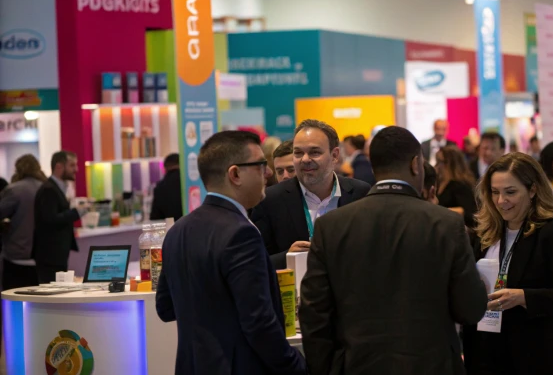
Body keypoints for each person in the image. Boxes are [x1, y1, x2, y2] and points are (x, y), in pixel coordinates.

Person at [300, 126, 487, 375]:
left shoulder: (331, 226)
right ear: (415, 165)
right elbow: (471, 308)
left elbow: (314, 316)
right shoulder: (445, 223)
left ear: (375, 166)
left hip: (357, 366)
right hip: (432, 365)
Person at [155, 131, 305, 375]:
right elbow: (259, 323)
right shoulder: (241, 233)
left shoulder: (178, 230)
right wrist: (295, 364)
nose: (267, 173)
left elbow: (166, 307)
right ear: (235, 174)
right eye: (260, 165)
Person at [462, 152, 553, 375]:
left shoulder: (552, 231)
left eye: (510, 192)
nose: (501, 201)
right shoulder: (484, 233)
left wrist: (523, 297)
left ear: (532, 190)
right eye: (495, 192)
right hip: (484, 352)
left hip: (534, 356)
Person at [250, 119, 371, 270]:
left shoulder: (360, 194)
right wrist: (288, 257)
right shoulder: (270, 201)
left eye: (314, 152)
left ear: (334, 155)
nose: (305, 159)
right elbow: (255, 263)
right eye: (298, 153)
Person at [33, 151, 88, 284]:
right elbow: (50, 219)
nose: (76, 169)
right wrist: (76, 212)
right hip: (50, 256)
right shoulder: (49, 189)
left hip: (55, 255)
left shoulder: (55, 187)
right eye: (72, 165)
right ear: (59, 167)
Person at [0, 155, 47, 289]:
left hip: (17, 255)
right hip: (42, 257)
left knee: (14, 303)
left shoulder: (14, 190)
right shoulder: (46, 188)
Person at [436, 146, 478, 228]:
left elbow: (469, 213)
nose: (438, 165)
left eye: (441, 162)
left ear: (452, 163)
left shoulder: (461, 185)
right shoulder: (439, 182)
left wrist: (438, 211)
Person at [150, 153, 183, 221]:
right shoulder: (188, 183)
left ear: (165, 168)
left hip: (172, 229)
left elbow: (155, 218)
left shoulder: (159, 187)